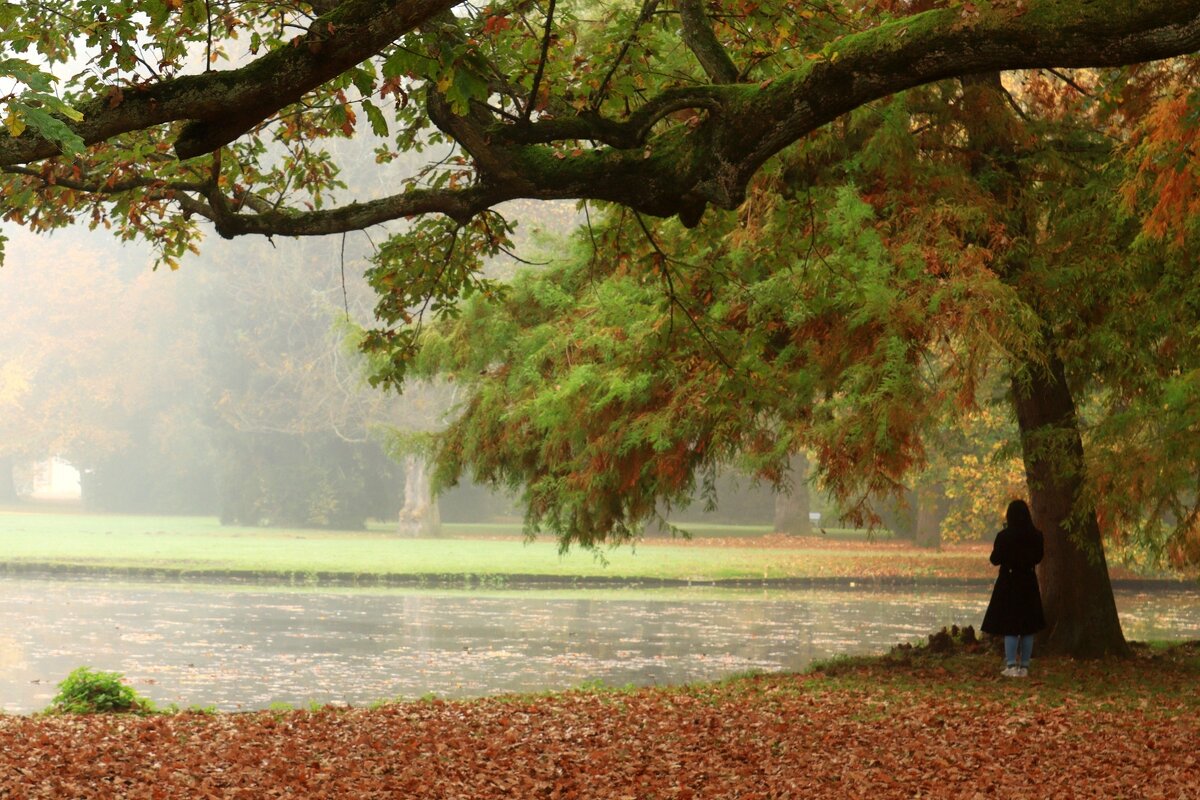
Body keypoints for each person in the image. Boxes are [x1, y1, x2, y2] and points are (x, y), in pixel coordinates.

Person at [980, 499, 1045, 677]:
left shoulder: (1004, 536)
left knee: (1011, 625)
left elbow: (994, 559)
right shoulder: (1037, 535)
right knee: (1027, 626)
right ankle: (1024, 666)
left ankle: (1010, 665)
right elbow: (1038, 557)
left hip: (1009, 582)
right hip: (1028, 581)